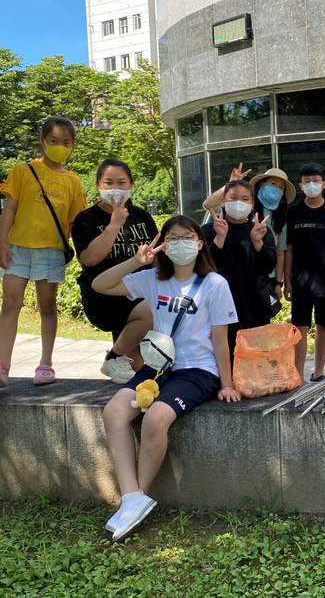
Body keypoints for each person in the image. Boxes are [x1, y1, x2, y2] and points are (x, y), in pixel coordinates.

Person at [94, 216, 240, 541]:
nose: (180, 244)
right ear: (163, 244)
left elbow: (220, 341)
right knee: (113, 411)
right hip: (160, 366)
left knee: (155, 418)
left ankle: (135, 498)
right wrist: (136, 260)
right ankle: (131, 498)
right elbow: (100, 285)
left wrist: (227, 384)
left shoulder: (215, 285)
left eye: (187, 237)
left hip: (199, 371)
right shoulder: (152, 279)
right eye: (172, 238)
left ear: (200, 243)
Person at [0, 117, 87, 387]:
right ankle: (3, 366)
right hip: (17, 247)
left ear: (73, 146)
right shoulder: (22, 171)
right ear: (42, 141)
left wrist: (86, 256)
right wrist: (1, 242)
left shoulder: (73, 181)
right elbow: (10, 209)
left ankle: (46, 364)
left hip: (51, 251)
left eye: (66, 142)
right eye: (54, 141)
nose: (60, 146)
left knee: (47, 306)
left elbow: (76, 224)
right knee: (10, 305)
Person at [73, 158, 159, 383]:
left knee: (139, 375)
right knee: (149, 311)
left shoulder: (141, 216)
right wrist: (114, 225)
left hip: (139, 291)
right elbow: (90, 259)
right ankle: (113, 357)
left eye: (121, 182)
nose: (115, 188)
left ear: (131, 184)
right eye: (108, 183)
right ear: (98, 186)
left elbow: (156, 256)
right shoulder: (86, 219)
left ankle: (121, 359)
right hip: (104, 295)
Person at [284, 163, 325, 381]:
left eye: (315, 181)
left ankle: (318, 373)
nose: (311, 185)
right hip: (301, 283)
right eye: (306, 181)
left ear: (324, 184)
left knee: (324, 327)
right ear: (300, 185)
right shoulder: (293, 213)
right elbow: (289, 249)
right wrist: (287, 281)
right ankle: (298, 376)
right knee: (299, 329)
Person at [201, 179, 277, 359]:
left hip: (255, 305)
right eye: (233, 198)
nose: (239, 203)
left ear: (252, 205)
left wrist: (258, 243)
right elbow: (203, 266)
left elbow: (269, 265)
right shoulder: (209, 230)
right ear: (223, 202)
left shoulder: (260, 230)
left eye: (245, 199)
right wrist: (219, 238)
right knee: (224, 354)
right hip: (220, 305)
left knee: (255, 359)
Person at [204, 164, 294, 301]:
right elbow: (208, 205)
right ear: (262, 184)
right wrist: (232, 184)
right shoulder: (242, 208)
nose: (275, 189)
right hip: (230, 280)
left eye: (280, 187)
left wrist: (278, 283)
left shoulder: (280, 219)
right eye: (272, 183)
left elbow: (280, 253)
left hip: (263, 282)